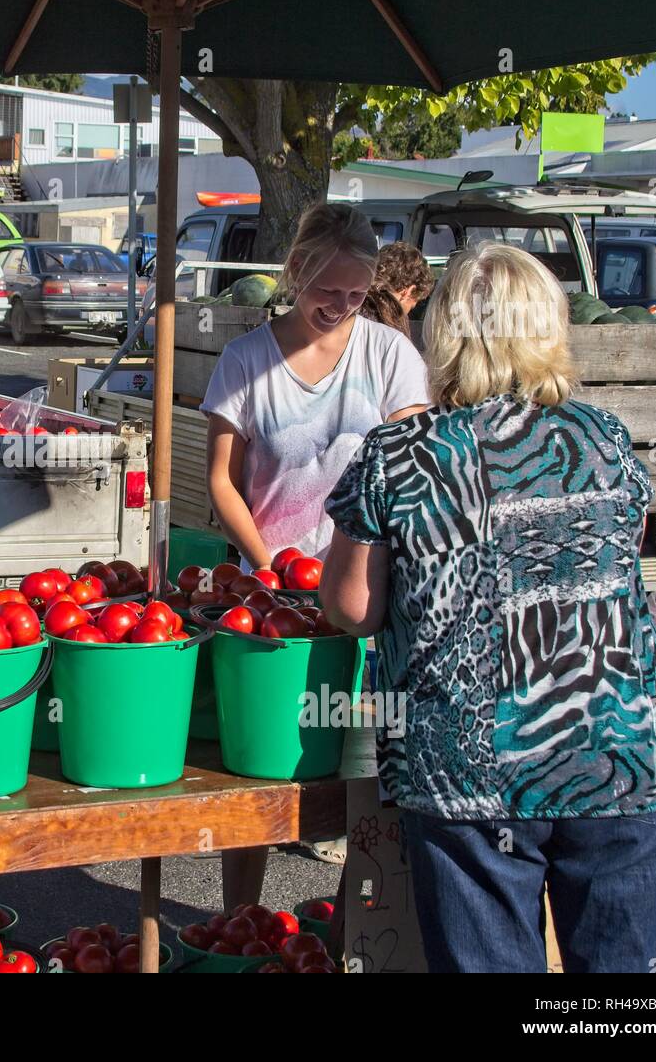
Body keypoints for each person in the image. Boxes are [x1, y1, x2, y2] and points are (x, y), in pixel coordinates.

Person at [320, 241, 656, 972]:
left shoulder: (401, 454)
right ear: (551, 327)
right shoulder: (607, 439)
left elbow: (352, 605)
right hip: (623, 752)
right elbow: (625, 546)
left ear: (443, 334)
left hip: (470, 769)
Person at [201, 202, 430, 873]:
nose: (341, 305)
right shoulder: (245, 358)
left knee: (357, 780)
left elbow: (412, 466)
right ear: (295, 271)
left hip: (366, 600)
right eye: (329, 291)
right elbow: (221, 480)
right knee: (255, 776)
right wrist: (267, 564)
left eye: (356, 294)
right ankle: (237, 925)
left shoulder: (391, 354)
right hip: (267, 597)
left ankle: (347, 936)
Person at [357, 242, 435, 339]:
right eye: (411, 307)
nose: (407, 314)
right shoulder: (390, 331)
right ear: (408, 292)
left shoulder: (351, 304)